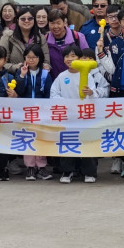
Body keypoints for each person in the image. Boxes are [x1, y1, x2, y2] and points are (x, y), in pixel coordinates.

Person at [50, 45, 108, 183]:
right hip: (68, 117)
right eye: (67, 56)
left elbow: (93, 96)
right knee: (68, 142)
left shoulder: (87, 75)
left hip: (85, 117)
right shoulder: (61, 76)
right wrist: (68, 104)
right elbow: (54, 94)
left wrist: (91, 93)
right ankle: (68, 171)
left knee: (88, 142)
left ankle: (89, 172)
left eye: (73, 56)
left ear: (80, 59)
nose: (69, 59)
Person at [13, 45, 52, 180]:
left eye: (34, 57)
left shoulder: (45, 74)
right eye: (28, 57)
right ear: (24, 58)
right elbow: (19, 91)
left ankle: (41, 166)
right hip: (26, 111)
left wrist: (46, 109)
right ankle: (30, 167)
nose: (31, 60)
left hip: (41, 111)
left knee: (41, 138)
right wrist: (22, 76)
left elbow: (49, 93)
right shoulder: (21, 72)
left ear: (39, 58)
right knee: (28, 137)